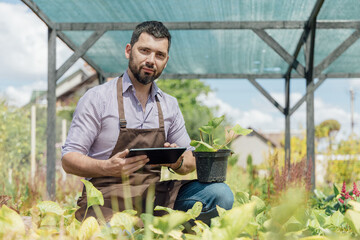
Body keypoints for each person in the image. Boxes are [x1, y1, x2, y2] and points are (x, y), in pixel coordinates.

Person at [61, 21, 234, 225]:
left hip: (154, 198)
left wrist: (176, 161)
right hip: (106, 199)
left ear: (166, 61)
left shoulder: (169, 104)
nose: (151, 60)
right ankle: (157, 229)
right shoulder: (97, 98)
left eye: (159, 55)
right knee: (121, 231)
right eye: (144, 51)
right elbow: (69, 158)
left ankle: (167, 227)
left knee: (220, 193)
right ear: (129, 50)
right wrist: (107, 167)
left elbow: (190, 160)